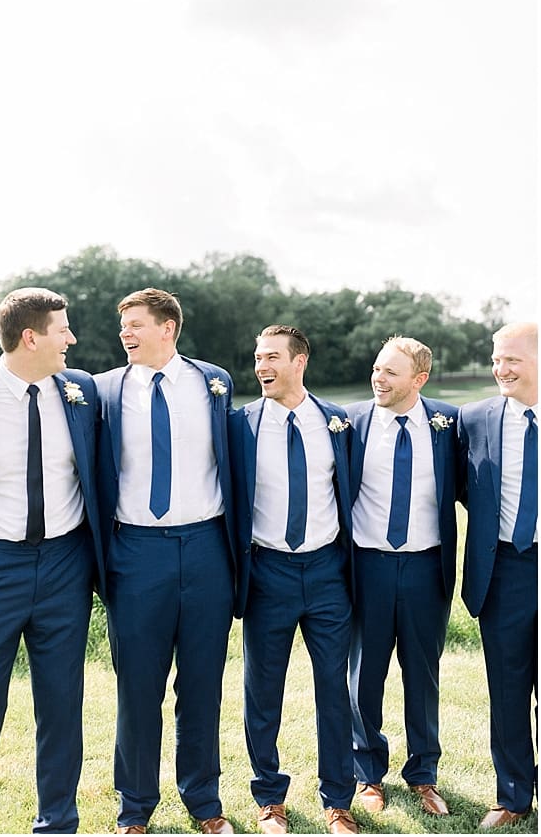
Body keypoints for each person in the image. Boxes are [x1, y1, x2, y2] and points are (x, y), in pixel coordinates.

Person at [0, 288, 103, 834]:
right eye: (64, 330)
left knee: (62, 705)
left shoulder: (81, 391)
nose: (72, 340)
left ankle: (58, 824)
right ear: (30, 337)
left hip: (66, 565)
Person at [93, 289, 239, 835]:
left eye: (135, 324)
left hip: (206, 549)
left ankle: (204, 801)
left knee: (202, 685)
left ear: (168, 328)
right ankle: (134, 809)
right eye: (123, 325)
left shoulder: (213, 381)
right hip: (135, 553)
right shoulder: (101, 390)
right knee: (138, 687)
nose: (125, 333)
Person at [228, 325, 359, 835]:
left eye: (273, 357)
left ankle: (339, 801)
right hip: (267, 572)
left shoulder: (336, 422)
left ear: (299, 361)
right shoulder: (241, 423)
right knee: (263, 690)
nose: (262, 366)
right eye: (258, 357)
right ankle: (269, 798)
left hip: (328, 572)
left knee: (334, 688)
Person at [343, 337, 460, 817]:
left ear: (420, 378)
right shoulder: (349, 422)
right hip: (367, 564)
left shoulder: (450, 425)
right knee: (363, 676)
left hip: (425, 568)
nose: (379, 378)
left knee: (422, 676)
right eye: (376, 368)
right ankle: (367, 774)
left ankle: (423, 774)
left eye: (391, 372)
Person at [457, 322, 538, 830]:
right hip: (505, 569)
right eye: (495, 359)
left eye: (512, 359)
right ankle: (513, 796)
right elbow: (464, 488)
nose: (500, 369)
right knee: (507, 688)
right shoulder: (476, 418)